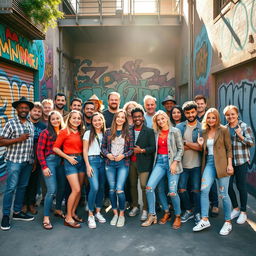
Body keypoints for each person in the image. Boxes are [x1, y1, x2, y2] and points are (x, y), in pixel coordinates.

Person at [193, 108, 233, 236]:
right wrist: (200, 145)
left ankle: (228, 222)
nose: (211, 120)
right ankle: (204, 219)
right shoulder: (204, 132)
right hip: (209, 163)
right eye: (209, 117)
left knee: (223, 194)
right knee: (204, 190)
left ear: (217, 118)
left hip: (222, 164)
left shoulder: (223, 130)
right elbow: (205, 152)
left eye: (213, 117)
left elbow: (229, 149)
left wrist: (230, 165)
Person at [141, 110, 184, 229]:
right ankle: (159, 213)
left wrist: (175, 162)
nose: (160, 121)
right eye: (158, 120)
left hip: (172, 163)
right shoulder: (155, 133)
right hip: (159, 163)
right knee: (150, 188)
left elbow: (181, 149)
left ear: (166, 118)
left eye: (162, 119)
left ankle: (178, 215)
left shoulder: (175, 131)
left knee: (172, 191)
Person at [0, 97, 35, 231]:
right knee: (11, 188)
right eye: (21, 107)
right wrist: (18, 139)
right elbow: (1, 141)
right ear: (16, 109)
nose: (24, 110)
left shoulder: (30, 124)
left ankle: (17, 212)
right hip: (14, 161)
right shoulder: (11, 123)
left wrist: (33, 161)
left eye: (26, 108)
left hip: (27, 162)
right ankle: (5, 216)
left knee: (22, 187)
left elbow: (30, 144)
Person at [101, 109, 134, 227]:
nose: (120, 119)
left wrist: (123, 155)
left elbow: (131, 150)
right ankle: (115, 213)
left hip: (122, 164)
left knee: (119, 189)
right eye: (118, 117)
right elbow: (103, 147)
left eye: (122, 117)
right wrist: (107, 154)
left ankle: (121, 214)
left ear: (125, 119)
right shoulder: (108, 132)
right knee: (111, 189)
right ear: (115, 119)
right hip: (109, 163)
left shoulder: (129, 132)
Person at [53, 110, 85, 228]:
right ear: (69, 119)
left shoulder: (82, 132)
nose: (76, 120)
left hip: (81, 160)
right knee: (75, 189)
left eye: (78, 118)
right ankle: (68, 218)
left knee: (79, 190)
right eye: (74, 118)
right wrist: (68, 157)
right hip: (70, 161)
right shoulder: (64, 132)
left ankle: (72, 213)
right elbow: (55, 148)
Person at [223, 105, 254, 224]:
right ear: (225, 116)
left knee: (241, 186)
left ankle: (243, 212)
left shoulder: (244, 126)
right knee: (228, 186)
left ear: (237, 114)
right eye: (228, 115)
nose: (230, 116)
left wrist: (240, 135)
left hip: (241, 161)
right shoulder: (224, 128)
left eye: (232, 114)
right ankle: (235, 208)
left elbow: (251, 143)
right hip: (229, 162)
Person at [37, 111, 66, 229]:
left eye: (57, 118)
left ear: (60, 119)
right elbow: (39, 151)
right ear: (49, 121)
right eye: (53, 119)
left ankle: (58, 209)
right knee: (52, 190)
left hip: (62, 162)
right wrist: (44, 167)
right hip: (50, 162)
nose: (55, 121)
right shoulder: (45, 132)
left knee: (62, 187)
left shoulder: (64, 132)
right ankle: (46, 217)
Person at [176, 101, 202, 225]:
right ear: (184, 113)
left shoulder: (202, 127)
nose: (190, 115)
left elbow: (201, 148)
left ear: (196, 112)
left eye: (192, 112)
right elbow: (177, 146)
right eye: (188, 113)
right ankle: (189, 210)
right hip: (183, 165)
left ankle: (197, 213)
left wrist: (185, 143)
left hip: (197, 165)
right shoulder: (179, 127)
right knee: (181, 189)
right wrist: (194, 145)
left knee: (196, 190)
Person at [128, 108, 156, 221]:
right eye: (135, 117)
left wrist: (142, 150)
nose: (137, 118)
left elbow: (153, 148)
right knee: (132, 185)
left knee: (144, 186)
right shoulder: (129, 130)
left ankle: (145, 209)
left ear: (143, 117)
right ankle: (135, 206)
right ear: (132, 118)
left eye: (139, 116)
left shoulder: (149, 131)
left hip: (144, 162)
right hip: (131, 162)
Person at [194, 94, 219, 217]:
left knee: (211, 180)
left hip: (209, 154)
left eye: (201, 103)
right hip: (196, 153)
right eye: (197, 104)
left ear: (205, 104)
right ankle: (202, 204)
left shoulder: (209, 117)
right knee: (202, 180)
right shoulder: (192, 116)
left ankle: (214, 204)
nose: (199, 105)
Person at [83, 112, 107, 228]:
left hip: (103, 162)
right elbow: (85, 151)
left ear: (103, 121)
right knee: (95, 187)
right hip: (92, 161)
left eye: (99, 120)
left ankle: (98, 212)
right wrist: (87, 165)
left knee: (101, 188)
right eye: (95, 120)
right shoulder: (88, 133)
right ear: (92, 122)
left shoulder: (106, 133)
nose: (97, 122)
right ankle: (90, 214)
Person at [23, 102, 46, 215]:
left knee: (33, 182)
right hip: (23, 157)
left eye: (39, 111)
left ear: (41, 113)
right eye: (34, 111)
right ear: (30, 111)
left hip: (37, 159)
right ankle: (23, 204)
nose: (36, 113)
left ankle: (31, 204)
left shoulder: (43, 127)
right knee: (23, 182)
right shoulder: (25, 124)